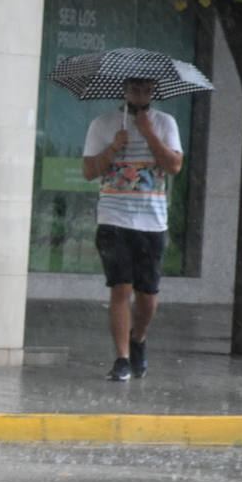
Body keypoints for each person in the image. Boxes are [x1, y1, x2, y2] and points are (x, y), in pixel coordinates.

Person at [80, 77, 184, 381]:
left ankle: (138, 338)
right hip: (114, 219)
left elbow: (175, 166)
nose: (141, 94)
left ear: (154, 92)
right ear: (124, 90)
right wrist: (114, 147)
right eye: (135, 88)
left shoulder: (165, 123)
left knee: (148, 294)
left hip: (151, 221)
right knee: (121, 287)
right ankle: (122, 358)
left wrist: (149, 134)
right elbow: (88, 171)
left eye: (147, 89)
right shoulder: (103, 124)